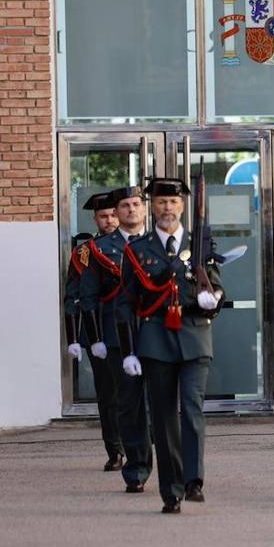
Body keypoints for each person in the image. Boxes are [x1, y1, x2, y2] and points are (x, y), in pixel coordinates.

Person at [118, 178, 225, 514]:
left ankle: (194, 480)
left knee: (191, 411)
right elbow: (126, 304)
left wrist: (213, 300)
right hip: (155, 340)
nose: (167, 208)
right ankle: (171, 490)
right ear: (153, 207)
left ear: (182, 206)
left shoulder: (201, 243)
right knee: (163, 418)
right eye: (161, 202)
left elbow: (218, 288)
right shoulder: (138, 250)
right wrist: (130, 350)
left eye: (173, 202)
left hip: (194, 335)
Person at [79, 186, 153, 493]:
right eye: (124, 206)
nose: (130, 210)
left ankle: (163, 461)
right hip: (114, 335)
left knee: (158, 402)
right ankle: (132, 463)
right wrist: (92, 337)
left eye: (136, 204)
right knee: (124, 401)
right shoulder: (96, 250)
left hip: (155, 332)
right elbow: (86, 296)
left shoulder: (159, 243)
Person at [64, 191, 122, 471]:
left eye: (113, 214)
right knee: (107, 394)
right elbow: (71, 296)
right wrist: (72, 338)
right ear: (95, 219)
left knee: (138, 392)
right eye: (104, 216)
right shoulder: (84, 253)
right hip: (96, 329)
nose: (109, 220)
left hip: (131, 329)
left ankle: (138, 443)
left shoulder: (133, 246)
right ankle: (115, 450)